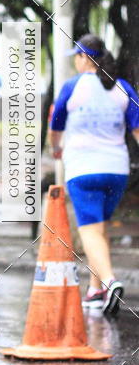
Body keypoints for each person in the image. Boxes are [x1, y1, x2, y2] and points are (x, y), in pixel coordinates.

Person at [49, 34, 139, 314]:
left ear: (84, 57)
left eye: (76, 57)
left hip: (84, 170)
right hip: (117, 171)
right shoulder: (122, 87)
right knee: (99, 229)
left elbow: (56, 127)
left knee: (89, 231)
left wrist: (56, 149)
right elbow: (137, 130)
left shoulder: (72, 87)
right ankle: (95, 290)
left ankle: (111, 282)